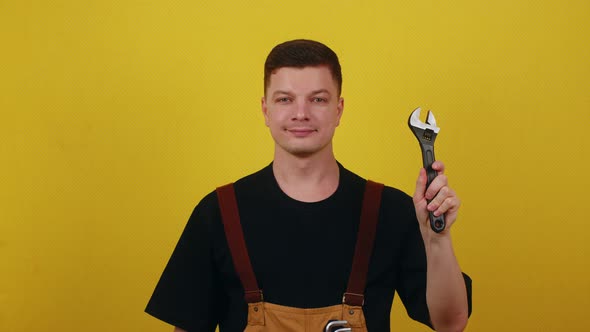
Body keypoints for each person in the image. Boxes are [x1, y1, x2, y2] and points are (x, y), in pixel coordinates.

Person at [145, 39, 472, 332]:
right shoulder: (218, 212)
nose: (301, 114)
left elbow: (451, 322)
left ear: (339, 109)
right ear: (265, 109)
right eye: (285, 99)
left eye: (317, 99)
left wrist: (437, 239)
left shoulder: (391, 211)